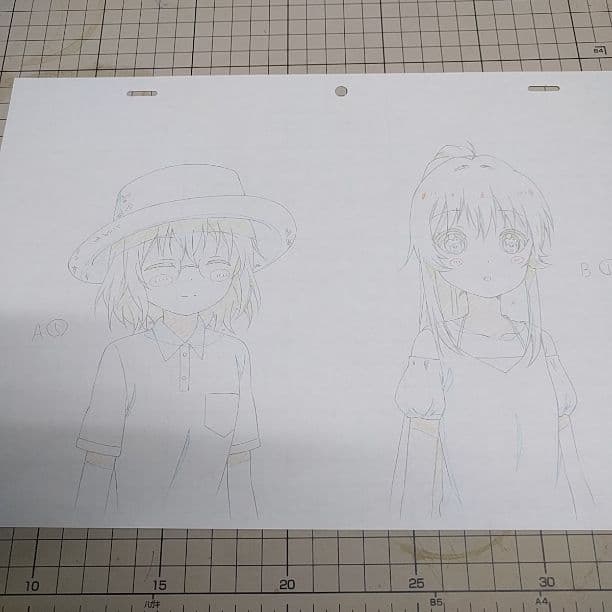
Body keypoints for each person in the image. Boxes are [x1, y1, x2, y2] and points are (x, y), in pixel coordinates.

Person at [69, 163, 296, 522]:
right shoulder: (122, 356)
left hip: (217, 526)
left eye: (216, 267)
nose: (189, 282)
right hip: (131, 523)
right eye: (162, 269)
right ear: (132, 275)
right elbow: (99, 458)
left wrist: (250, 529)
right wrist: (86, 530)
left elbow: (239, 460)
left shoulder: (234, 354)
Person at [390, 145, 593, 522]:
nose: (488, 260)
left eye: (510, 240)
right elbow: (420, 462)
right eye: (455, 241)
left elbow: (570, 456)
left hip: (551, 520)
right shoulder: (434, 347)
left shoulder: (540, 345)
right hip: (463, 528)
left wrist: (589, 517)